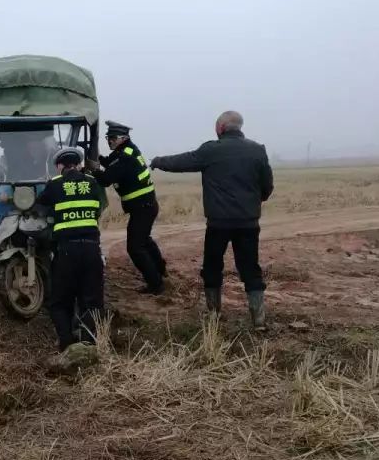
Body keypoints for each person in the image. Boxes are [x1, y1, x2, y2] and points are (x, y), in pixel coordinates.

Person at [150, 110, 274, 329]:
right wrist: (253, 202)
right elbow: (267, 186)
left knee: (212, 266)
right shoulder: (257, 150)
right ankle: (259, 320)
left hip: (218, 223)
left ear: (221, 127)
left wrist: (158, 161)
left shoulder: (211, 150)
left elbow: (182, 162)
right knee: (250, 268)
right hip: (248, 222)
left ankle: (214, 315)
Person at [36, 146, 106, 351]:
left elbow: (40, 207)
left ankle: (66, 343)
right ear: (78, 164)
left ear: (59, 166)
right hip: (92, 250)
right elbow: (98, 209)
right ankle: (88, 343)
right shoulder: (93, 183)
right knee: (92, 301)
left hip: (66, 251)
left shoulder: (55, 184)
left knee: (59, 301)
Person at [90, 120, 166, 294]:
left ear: (123, 138)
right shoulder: (125, 151)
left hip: (143, 207)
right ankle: (160, 270)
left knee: (135, 247)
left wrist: (94, 169)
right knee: (144, 240)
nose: (109, 140)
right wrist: (98, 159)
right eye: (108, 137)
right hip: (145, 206)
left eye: (113, 138)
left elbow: (105, 179)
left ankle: (156, 285)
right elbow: (110, 163)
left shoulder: (125, 157)